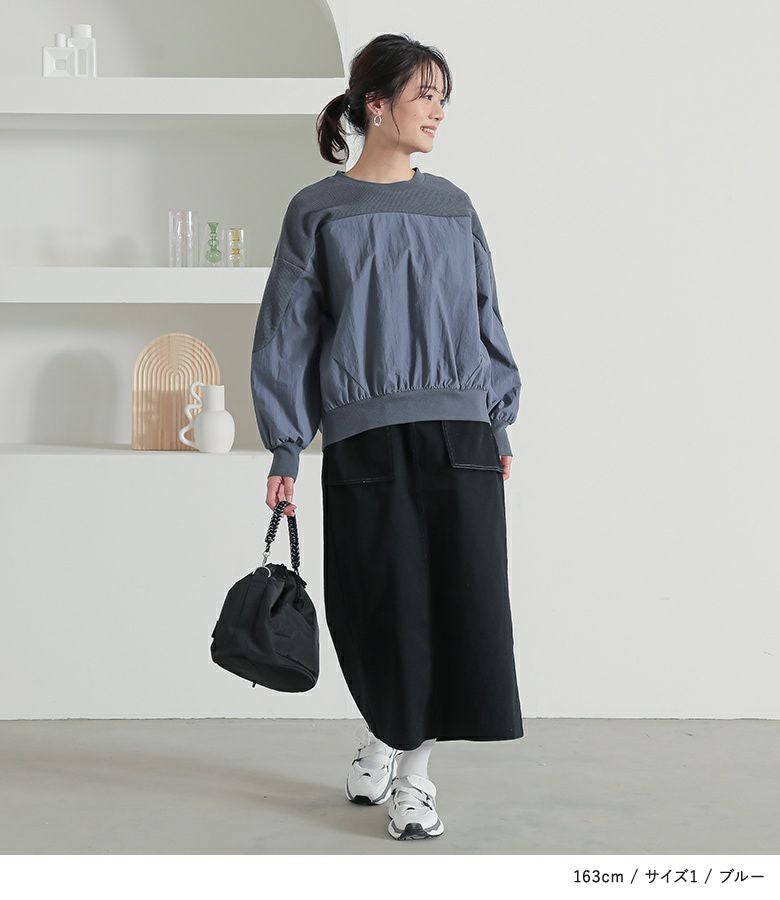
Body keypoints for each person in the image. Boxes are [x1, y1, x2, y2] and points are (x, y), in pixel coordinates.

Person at [250, 32, 524, 841]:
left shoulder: (453, 206)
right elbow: (287, 334)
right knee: (380, 604)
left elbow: (485, 315)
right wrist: (285, 444)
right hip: (365, 436)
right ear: (377, 104)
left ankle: (415, 775)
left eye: (443, 98)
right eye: (424, 95)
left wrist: (500, 418)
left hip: (461, 431)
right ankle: (384, 725)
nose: (438, 112)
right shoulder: (318, 210)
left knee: (457, 601)